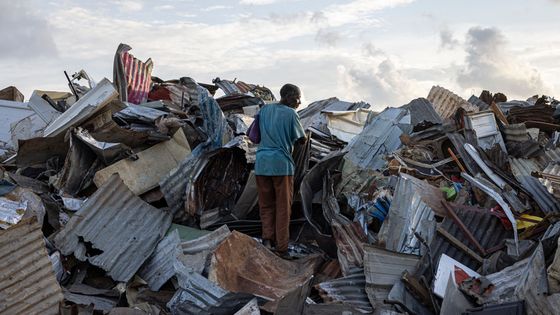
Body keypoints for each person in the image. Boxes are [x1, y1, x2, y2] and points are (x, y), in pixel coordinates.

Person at [255, 83, 306, 259]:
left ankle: (267, 240)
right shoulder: (292, 114)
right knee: (283, 207)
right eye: (297, 97)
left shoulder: (264, 110)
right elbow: (301, 140)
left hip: (262, 163)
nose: (299, 101)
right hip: (281, 164)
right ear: (289, 96)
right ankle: (282, 248)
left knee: (266, 205)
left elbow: (257, 135)